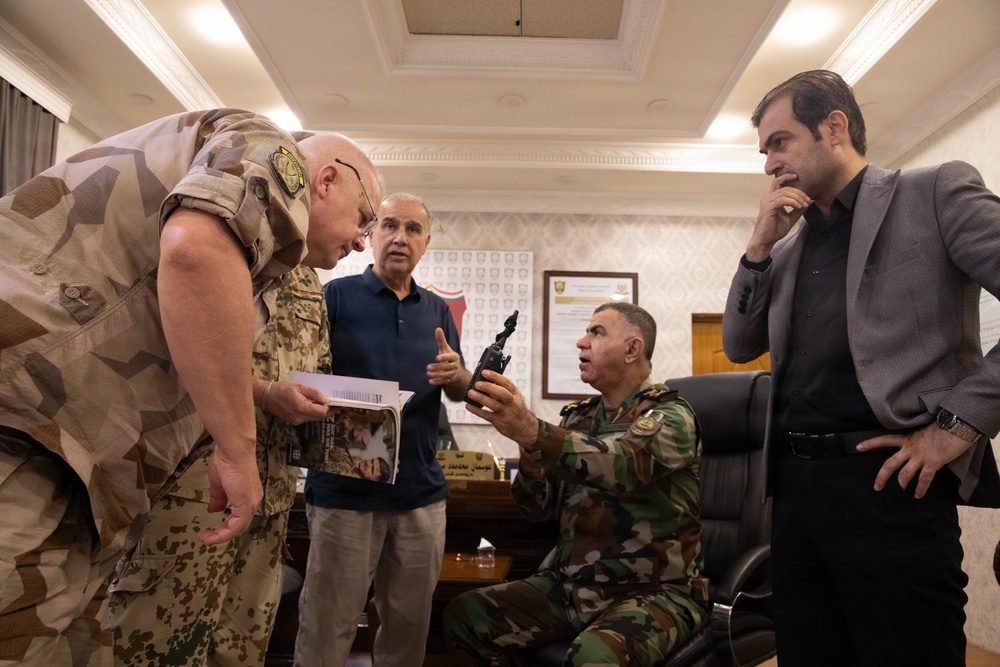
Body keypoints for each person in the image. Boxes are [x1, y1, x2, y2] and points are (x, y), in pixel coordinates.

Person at [0, 111, 381, 666]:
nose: (362, 242)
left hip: (75, 457)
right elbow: (193, 252)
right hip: (27, 430)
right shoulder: (272, 151)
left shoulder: (265, 266)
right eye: (365, 218)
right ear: (325, 181)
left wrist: (268, 397)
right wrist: (238, 449)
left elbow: (185, 339)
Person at [722, 69, 1000, 667]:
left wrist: (957, 427)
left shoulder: (933, 193)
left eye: (779, 142)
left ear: (834, 127)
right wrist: (758, 249)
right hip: (793, 495)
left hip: (891, 486)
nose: (769, 164)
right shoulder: (789, 245)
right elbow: (739, 345)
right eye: (764, 150)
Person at [444, 302, 709, 666]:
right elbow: (538, 509)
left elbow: (622, 464)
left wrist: (536, 431)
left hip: (656, 593)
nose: (581, 342)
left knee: (593, 657)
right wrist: (528, 445)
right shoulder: (578, 417)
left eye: (597, 332)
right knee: (466, 615)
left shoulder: (670, 416)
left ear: (633, 349)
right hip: (573, 587)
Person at [294, 192, 471, 667]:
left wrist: (458, 376)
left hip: (421, 497)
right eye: (390, 225)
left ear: (426, 242)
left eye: (413, 229)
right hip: (343, 495)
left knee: (408, 633)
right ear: (371, 235)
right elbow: (301, 378)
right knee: (326, 626)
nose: (400, 237)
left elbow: (459, 392)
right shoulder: (334, 297)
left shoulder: (437, 312)